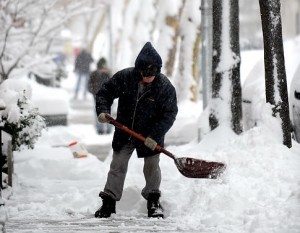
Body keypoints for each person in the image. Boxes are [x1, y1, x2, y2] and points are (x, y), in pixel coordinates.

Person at [94, 42, 178, 219]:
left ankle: (153, 201)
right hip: (125, 131)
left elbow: (169, 113)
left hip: (150, 135)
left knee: (152, 167)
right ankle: (108, 202)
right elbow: (105, 92)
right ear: (138, 70)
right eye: (146, 74)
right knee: (117, 165)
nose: (149, 78)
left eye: (153, 74)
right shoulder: (125, 77)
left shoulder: (164, 87)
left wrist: (155, 136)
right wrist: (103, 110)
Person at [88, 57, 112, 134]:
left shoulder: (94, 73)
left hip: (97, 96)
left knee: (98, 112)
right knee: (107, 112)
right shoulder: (108, 73)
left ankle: (100, 129)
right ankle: (107, 129)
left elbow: (89, 85)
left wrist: (93, 92)